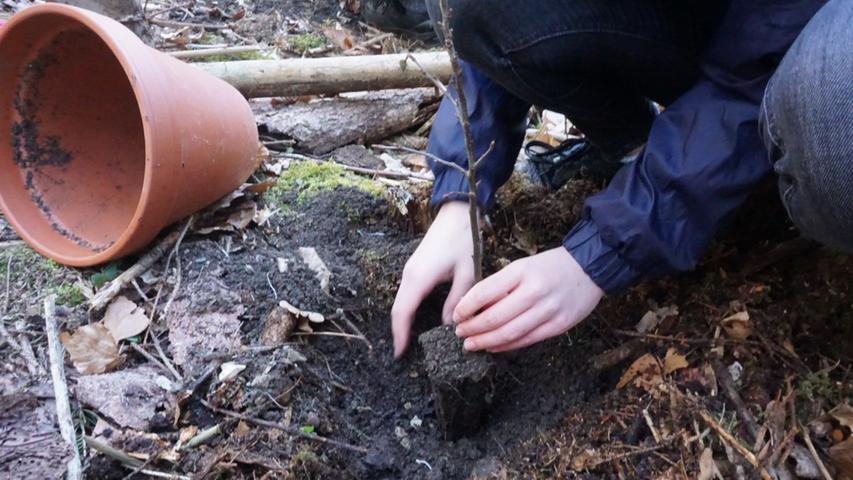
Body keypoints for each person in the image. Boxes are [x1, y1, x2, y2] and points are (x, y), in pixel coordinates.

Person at [390, 0, 853, 359]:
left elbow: (754, 65)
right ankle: (642, 153)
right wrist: (460, 193)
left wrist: (605, 248)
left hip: (811, 34)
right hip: (705, 29)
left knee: (838, 129)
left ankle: (771, 180)